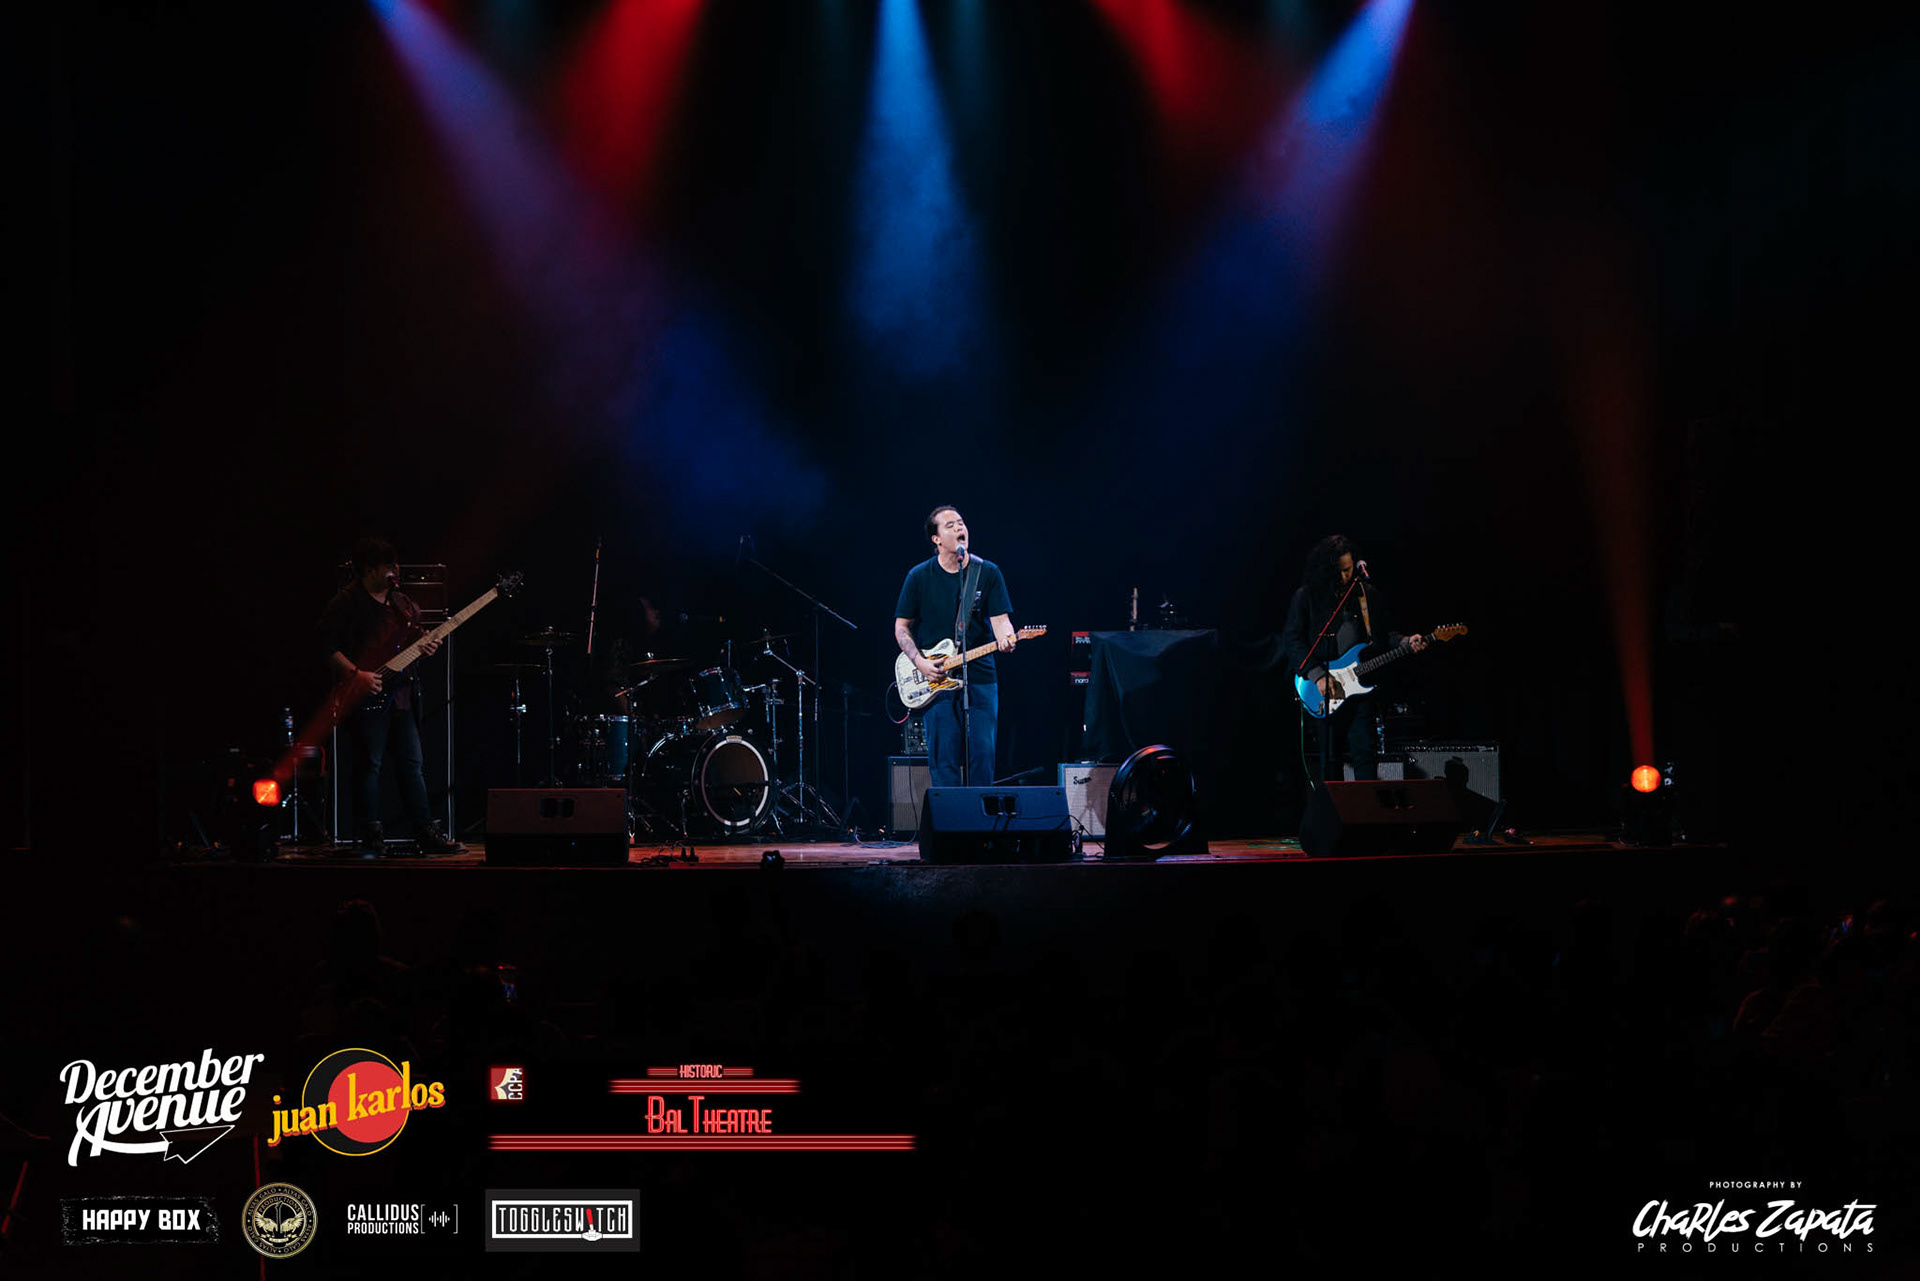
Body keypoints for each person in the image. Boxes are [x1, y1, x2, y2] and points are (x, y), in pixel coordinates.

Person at [319, 537, 465, 856]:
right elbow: (327, 648)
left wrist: (428, 644)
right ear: (368, 570)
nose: (394, 571)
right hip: (365, 694)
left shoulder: (402, 603)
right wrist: (357, 675)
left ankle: (426, 833)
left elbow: (413, 640)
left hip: (402, 696)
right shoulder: (346, 603)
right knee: (369, 767)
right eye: (387, 566)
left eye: (395, 564)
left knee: (412, 765)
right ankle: (371, 837)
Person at [1279, 535, 1425, 781]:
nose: (1345, 576)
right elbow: (1292, 639)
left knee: (1365, 753)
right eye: (1339, 571)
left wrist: (1404, 642)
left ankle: (1364, 805)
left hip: (1360, 687)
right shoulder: (1307, 596)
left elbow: (1384, 633)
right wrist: (1317, 675)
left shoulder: (1366, 595)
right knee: (1330, 759)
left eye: (1348, 570)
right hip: (1324, 688)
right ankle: (1331, 806)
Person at [894, 506, 1017, 788]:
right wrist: (920, 662)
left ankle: (980, 816)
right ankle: (949, 817)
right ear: (936, 539)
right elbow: (902, 627)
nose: (960, 528)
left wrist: (1007, 637)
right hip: (936, 679)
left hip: (980, 677)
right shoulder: (919, 576)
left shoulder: (987, 572)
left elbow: (1001, 622)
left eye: (961, 523)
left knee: (982, 757)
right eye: (950, 525)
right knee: (944, 760)